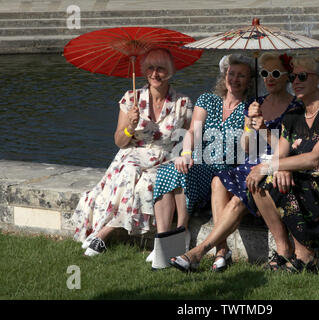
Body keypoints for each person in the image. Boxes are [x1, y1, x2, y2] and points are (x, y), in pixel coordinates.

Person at [169, 52, 302, 272]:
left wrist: (265, 131)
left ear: (287, 76)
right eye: (265, 73)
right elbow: (248, 147)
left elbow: (293, 147)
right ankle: (222, 251)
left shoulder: (295, 106)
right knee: (217, 182)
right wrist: (251, 125)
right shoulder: (256, 104)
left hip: (278, 163)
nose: (270, 77)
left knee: (239, 198)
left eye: (276, 73)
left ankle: (198, 252)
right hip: (252, 162)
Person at [245, 55, 319, 272]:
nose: (295, 82)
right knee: (257, 182)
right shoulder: (293, 115)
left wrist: (274, 167)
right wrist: (276, 165)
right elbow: (280, 154)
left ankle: (306, 255)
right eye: (292, 77)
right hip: (305, 176)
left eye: (302, 76)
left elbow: (316, 158)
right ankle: (283, 250)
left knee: (282, 183)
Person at [71, 48, 193, 256]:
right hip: (133, 155)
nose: (155, 74)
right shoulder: (131, 99)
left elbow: (189, 137)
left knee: (146, 185)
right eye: (151, 69)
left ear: (170, 72)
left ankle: (103, 234)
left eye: (161, 69)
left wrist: (186, 153)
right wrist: (130, 125)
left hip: (164, 157)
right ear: (144, 72)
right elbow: (119, 141)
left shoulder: (182, 102)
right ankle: (107, 234)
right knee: (130, 172)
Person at [150, 53, 254, 263]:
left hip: (225, 168)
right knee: (169, 171)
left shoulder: (250, 108)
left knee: (184, 176)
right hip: (200, 162)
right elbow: (192, 132)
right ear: (224, 76)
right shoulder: (208, 99)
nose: (234, 79)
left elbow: (247, 148)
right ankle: (165, 240)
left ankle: (182, 231)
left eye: (241, 75)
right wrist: (186, 154)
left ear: (250, 81)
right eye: (231, 74)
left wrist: (251, 123)